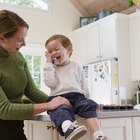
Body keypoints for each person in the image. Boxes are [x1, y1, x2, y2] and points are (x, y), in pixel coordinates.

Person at [0, 10, 71, 140]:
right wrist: (49, 105)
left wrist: (60, 103)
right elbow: (4, 110)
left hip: (15, 126)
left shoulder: (18, 57)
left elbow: (31, 91)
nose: (24, 44)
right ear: (2, 38)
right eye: (20, 40)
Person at [43, 34, 108, 140]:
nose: (53, 53)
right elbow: (51, 83)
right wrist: (48, 64)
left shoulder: (76, 66)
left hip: (78, 97)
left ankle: (98, 135)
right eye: (50, 52)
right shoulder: (51, 68)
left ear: (68, 49)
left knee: (87, 106)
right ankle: (69, 129)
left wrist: (86, 98)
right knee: (61, 110)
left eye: (56, 49)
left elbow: (83, 84)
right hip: (59, 99)